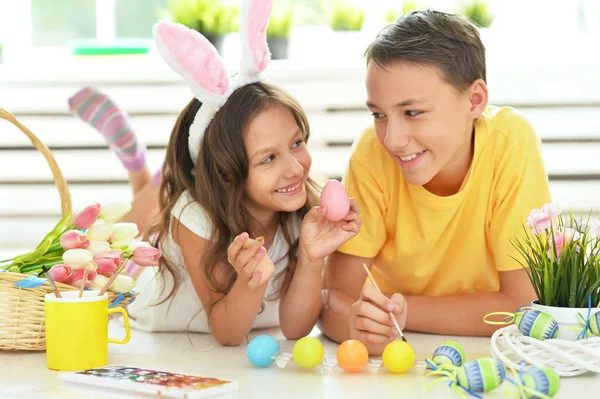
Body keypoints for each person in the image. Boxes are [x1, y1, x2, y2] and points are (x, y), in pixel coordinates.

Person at [70, 0, 361, 346]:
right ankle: (144, 170)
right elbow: (227, 332)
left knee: (154, 215)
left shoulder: (302, 208)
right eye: (269, 158)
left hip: (213, 190)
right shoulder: (196, 216)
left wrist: (313, 258)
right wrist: (249, 280)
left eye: (297, 143)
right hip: (148, 284)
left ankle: (152, 175)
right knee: (117, 248)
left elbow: (295, 329)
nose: (296, 168)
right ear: (225, 173)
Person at [318, 9, 551, 355]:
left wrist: (400, 311)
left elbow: (523, 307)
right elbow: (334, 300)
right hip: (395, 352)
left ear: (474, 100)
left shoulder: (510, 144)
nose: (392, 139)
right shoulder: (371, 155)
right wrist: (357, 327)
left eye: (412, 112)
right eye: (379, 114)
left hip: (484, 350)